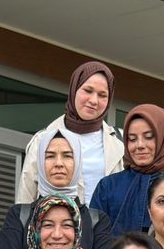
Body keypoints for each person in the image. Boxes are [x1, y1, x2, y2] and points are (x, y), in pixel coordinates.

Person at [0, 126, 107, 249]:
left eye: (67, 156)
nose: (59, 163)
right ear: (40, 163)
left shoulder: (97, 221)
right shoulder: (19, 216)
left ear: (79, 162)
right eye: (50, 156)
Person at [17, 61, 123, 205]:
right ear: (74, 90)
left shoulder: (119, 143)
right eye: (88, 90)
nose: (94, 100)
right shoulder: (44, 139)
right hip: (56, 226)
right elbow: (25, 199)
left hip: (105, 227)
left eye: (102, 95)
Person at [87, 103, 164, 245]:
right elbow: (92, 240)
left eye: (149, 137)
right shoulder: (108, 186)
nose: (140, 145)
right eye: (132, 139)